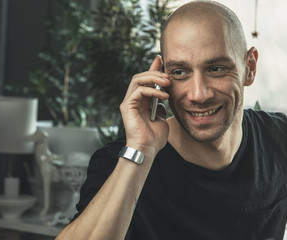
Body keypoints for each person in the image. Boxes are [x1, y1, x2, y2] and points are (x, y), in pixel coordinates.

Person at [56, 1, 287, 239]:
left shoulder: (279, 138)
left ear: (249, 67)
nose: (198, 94)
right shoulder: (119, 162)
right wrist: (141, 150)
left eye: (216, 68)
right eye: (179, 72)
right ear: (161, 77)